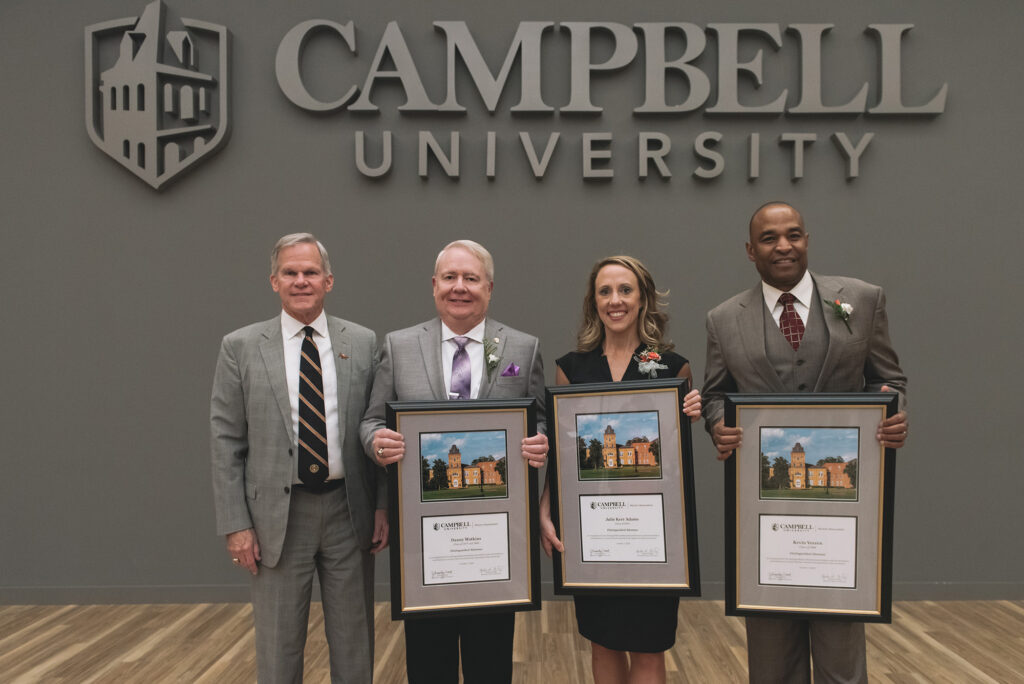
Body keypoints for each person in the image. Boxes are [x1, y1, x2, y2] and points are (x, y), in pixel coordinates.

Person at [702, 202, 909, 683]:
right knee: (771, 658)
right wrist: (718, 424)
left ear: (807, 240)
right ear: (751, 251)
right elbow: (714, 394)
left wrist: (893, 413)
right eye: (770, 238)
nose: (784, 246)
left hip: (843, 514)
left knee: (842, 656)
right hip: (763, 510)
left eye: (793, 235)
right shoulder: (722, 319)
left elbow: (889, 379)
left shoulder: (861, 298)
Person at [359, 239, 549, 684]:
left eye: (470, 278)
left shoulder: (522, 347)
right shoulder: (399, 345)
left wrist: (540, 440)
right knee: (428, 661)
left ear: (489, 287)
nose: (459, 287)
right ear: (433, 285)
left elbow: (539, 419)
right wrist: (377, 442)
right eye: (450, 278)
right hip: (424, 539)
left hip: (496, 538)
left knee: (491, 658)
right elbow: (370, 420)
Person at [210, 233, 388, 684]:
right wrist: (235, 525)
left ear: (329, 281)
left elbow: (380, 428)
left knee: (354, 641)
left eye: (310, 272)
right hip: (276, 517)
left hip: (349, 511)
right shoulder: (241, 347)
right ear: (273, 281)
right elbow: (226, 440)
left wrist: (383, 505)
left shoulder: (364, 342)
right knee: (278, 644)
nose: (300, 280)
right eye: (290, 272)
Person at [538, 255, 702, 684]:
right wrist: (545, 509)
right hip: (593, 532)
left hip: (654, 534)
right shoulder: (571, 369)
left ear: (644, 298)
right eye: (605, 291)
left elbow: (675, 458)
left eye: (625, 290)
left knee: (649, 646)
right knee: (603, 642)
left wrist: (691, 412)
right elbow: (562, 456)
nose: (616, 300)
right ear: (593, 303)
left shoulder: (673, 368)